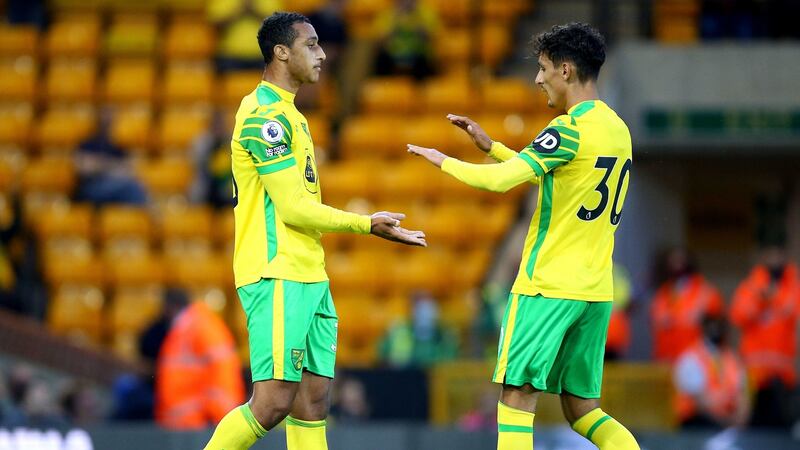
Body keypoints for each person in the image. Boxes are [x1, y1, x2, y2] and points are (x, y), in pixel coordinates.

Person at [408, 23, 638, 450]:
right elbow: (560, 178)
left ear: (565, 71)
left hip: (547, 287)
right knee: (584, 409)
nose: (537, 79)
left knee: (516, 398)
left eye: (543, 68)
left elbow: (500, 184)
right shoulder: (618, 130)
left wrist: (444, 162)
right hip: (595, 291)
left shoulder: (567, 129)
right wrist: (492, 146)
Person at [203, 12, 426, 450]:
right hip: (277, 273)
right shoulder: (263, 116)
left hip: (310, 274)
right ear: (281, 52)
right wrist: (366, 224)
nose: (322, 54)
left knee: (313, 402)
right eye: (311, 45)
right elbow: (293, 208)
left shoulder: (294, 116)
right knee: (271, 404)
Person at [730, 245, 800, 427]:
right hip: (754, 370)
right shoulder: (751, 286)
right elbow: (738, 316)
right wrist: (761, 300)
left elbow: (793, 311)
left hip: (783, 372)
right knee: (754, 424)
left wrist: (773, 296)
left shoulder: (793, 285)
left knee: (782, 425)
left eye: (779, 255)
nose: (774, 260)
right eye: (771, 255)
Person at [155, 288, 245, 429]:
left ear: (169, 307)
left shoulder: (202, 327)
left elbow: (223, 369)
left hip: (201, 421)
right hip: (184, 423)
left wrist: (217, 413)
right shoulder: (183, 329)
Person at [673, 315, 750, 428]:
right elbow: (699, 403)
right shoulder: (691, 358)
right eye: (712, 326)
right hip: (696, 421)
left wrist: (739, 420)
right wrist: (726, 423)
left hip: (727, 421)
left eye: (720, 326)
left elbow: (742, 397)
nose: (716, 330)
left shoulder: (732, 359)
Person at [650, 247, 725, 363]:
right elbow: (656, 321)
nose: (676, 265)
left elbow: (717, 325)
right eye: (673, 261)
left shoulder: (705, 292)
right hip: (666, 359)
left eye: (680, 260)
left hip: (695, 361)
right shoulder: (662, 294)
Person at [379, 291, 459, 368]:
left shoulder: (446, 335)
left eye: (430, 307)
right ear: (413, 310)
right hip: (405, 378)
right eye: (421, 308)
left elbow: (451, 363)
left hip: (437, 380)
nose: (425, 312)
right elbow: (383, 358)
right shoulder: (399, 332)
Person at [372, 0, 439, 80]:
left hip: (418, 54)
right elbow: (378, 41)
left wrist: (420, 26)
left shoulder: (426, 13)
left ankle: (423, 89)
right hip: (393, 55)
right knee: (381, 59)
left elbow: (434, 38)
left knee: (425, 61)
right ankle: (383, 86)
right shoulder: (388, 14)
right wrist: (394, 24)